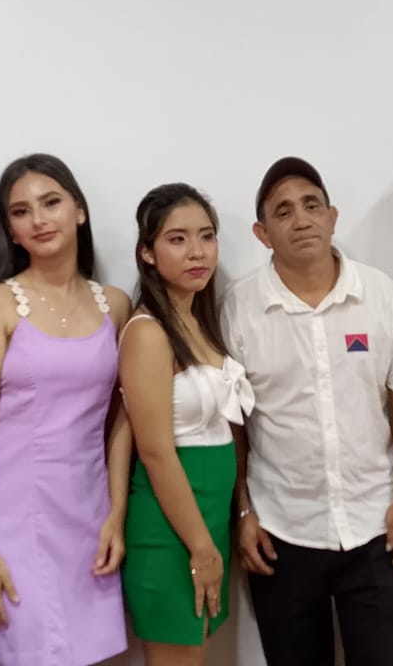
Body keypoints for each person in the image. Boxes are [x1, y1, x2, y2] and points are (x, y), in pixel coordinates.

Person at [223, 157, 393, 666]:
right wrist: (243, 512)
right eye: (283, 211)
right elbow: (233, 421)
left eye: (312, 205)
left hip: (375, 525)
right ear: (262, 233)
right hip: (281, 531)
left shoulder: (378, 293)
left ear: (332, 216)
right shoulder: (240, 306)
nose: (301, 220)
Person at [0, 154, 133, 666]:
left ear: (79, 211)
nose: (39, 220)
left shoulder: (114, 305)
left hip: (88, 513)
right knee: (28, 648)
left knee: (81, 653)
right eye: (21, 211)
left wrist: (117, 513)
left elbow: (121, 420)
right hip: (9, 517)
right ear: (10, 229)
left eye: (51, 203)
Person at [118, 183, 254, 666]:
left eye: (206, 236)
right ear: (147, 253)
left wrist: (233, 519)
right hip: (171, 526)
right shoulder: (148, 333)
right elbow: (155, 452)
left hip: (208, 518)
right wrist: (201, 548)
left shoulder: (200, 320)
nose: (197, 252)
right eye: (177, 239)